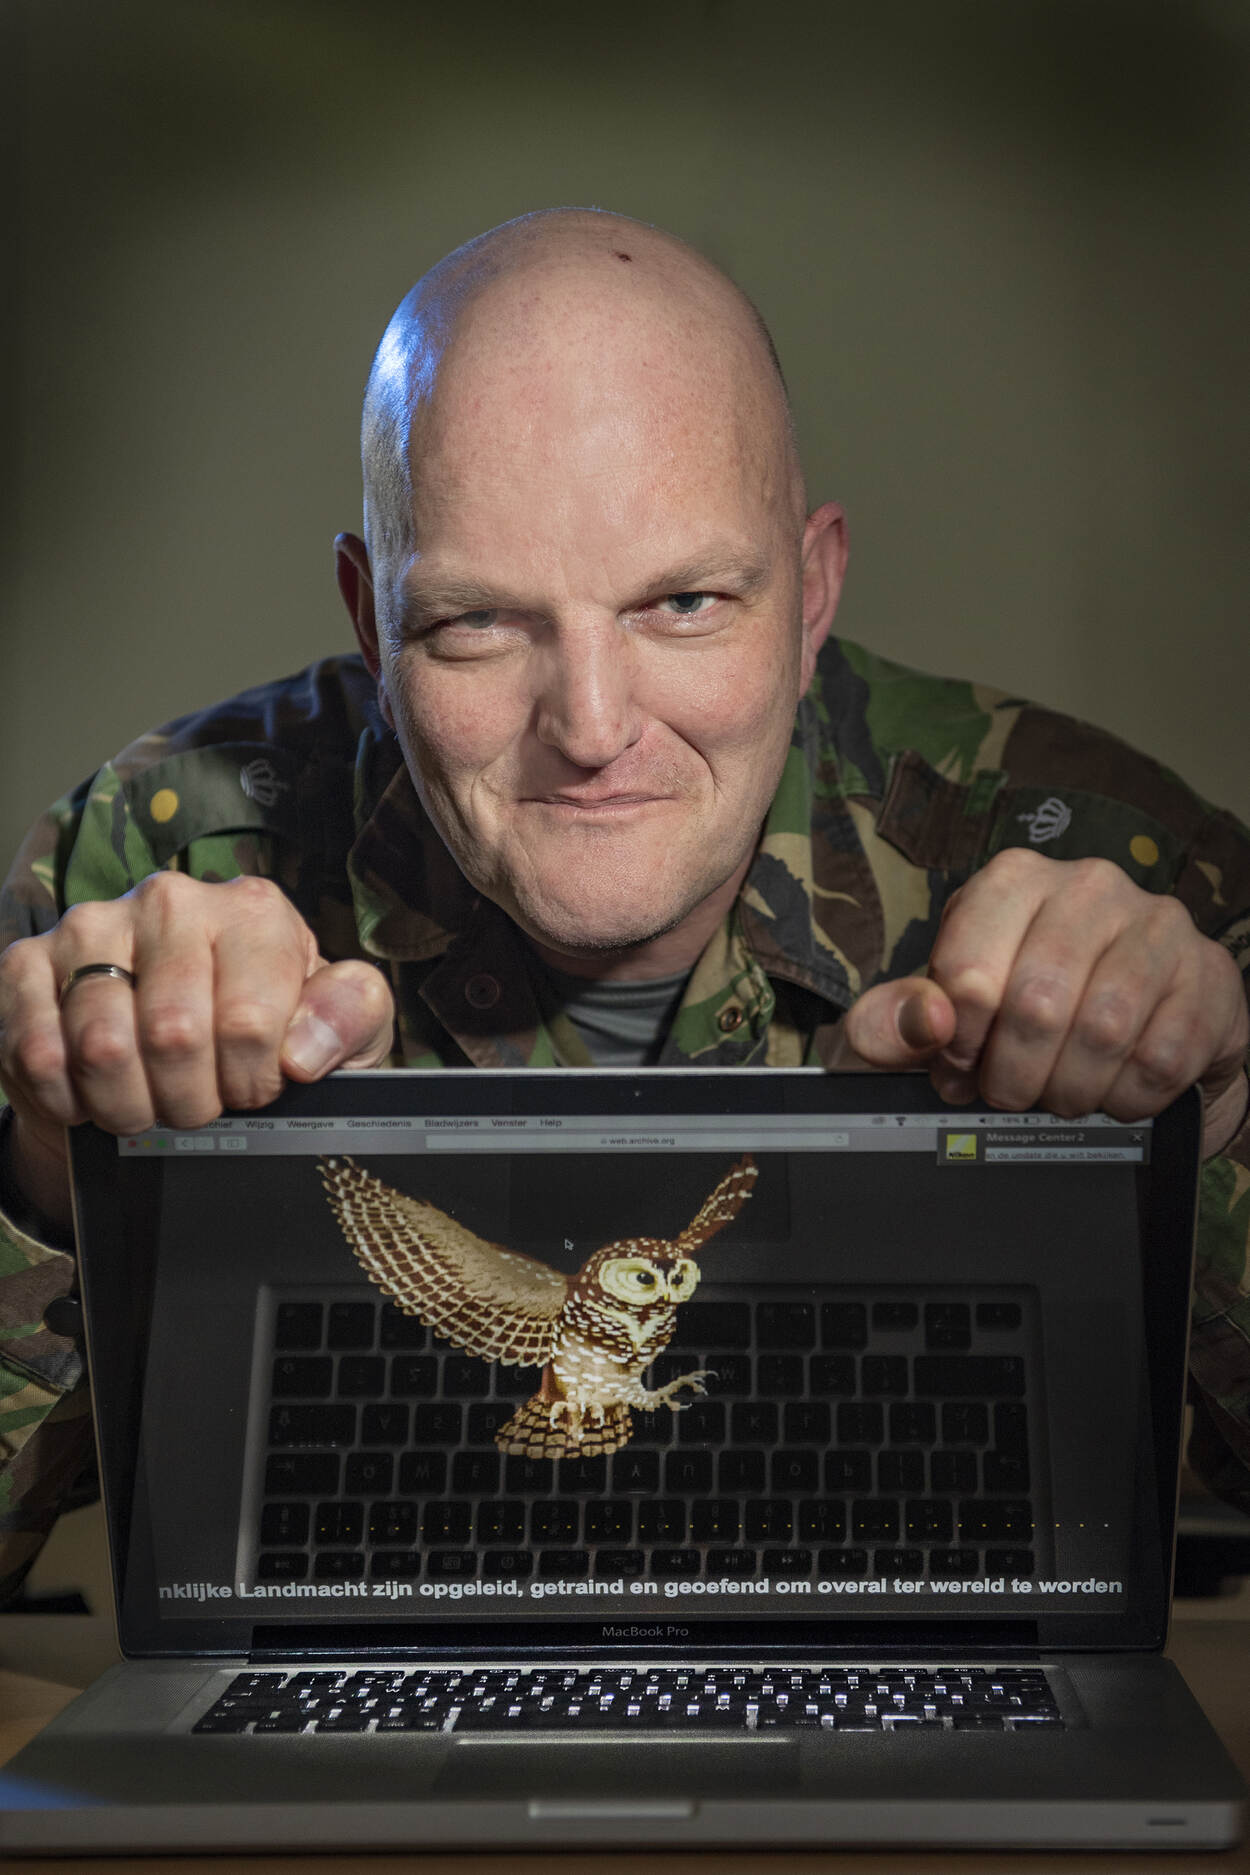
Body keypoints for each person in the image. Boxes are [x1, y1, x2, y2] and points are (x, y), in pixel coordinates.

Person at [1, 208, 1248, 1605]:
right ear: (371, 622)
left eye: (684, 603)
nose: (592, 729)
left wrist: (1208, 1131)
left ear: (812, 593)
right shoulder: (158, 860)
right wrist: (51, 1165)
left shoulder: (1118, 865)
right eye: (476, 622)